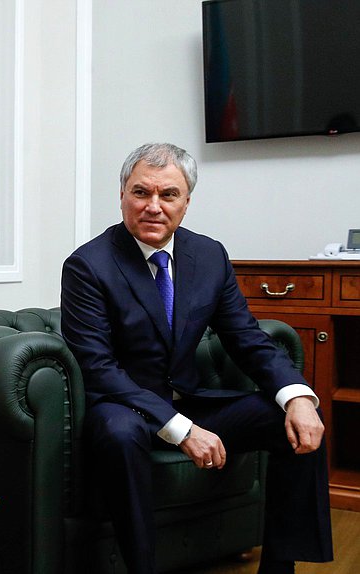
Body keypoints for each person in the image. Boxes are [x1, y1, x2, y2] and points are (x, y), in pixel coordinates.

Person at [60, 143, 332, 574]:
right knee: (118, 433)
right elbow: (97, 367)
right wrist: (182, 430)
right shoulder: (88, 266)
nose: (153, 206)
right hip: (124, 407)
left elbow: (246, 337)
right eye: (140, 192)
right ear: (122, 195)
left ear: (186, 203)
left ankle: (280, 566)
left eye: (168, 195)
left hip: (187, 398)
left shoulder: (208, 255)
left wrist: (297, 395)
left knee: (293, 420)